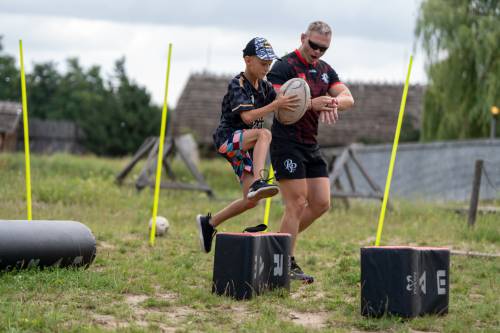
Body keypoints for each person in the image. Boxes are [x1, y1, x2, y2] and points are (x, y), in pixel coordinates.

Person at [267, 21, 355, 283]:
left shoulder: (325, 71)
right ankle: (284, 263)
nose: (317, 52)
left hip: (310, 144)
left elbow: (349, 98)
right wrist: (310, 104)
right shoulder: (284, 66)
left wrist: (332, 101)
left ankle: (276, 245)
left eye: (323, 49)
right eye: (313, 45)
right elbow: (272, 100)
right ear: (303, 37)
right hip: (286, 143)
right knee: (296, 203)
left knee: (321, 203)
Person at [196, 37, 299, 253]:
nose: (267, 68)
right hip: (227, 140)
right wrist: (275, 104)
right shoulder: (237, 84)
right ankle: (258, 181)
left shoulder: (265, 87)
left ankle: (209, 224)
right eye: (263, 63)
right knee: (264, 134)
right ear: (248, 60)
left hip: (244, 146)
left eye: (269, 64)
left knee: (251, 201)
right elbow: (248, 117)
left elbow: (282, 102)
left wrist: (310, 103)